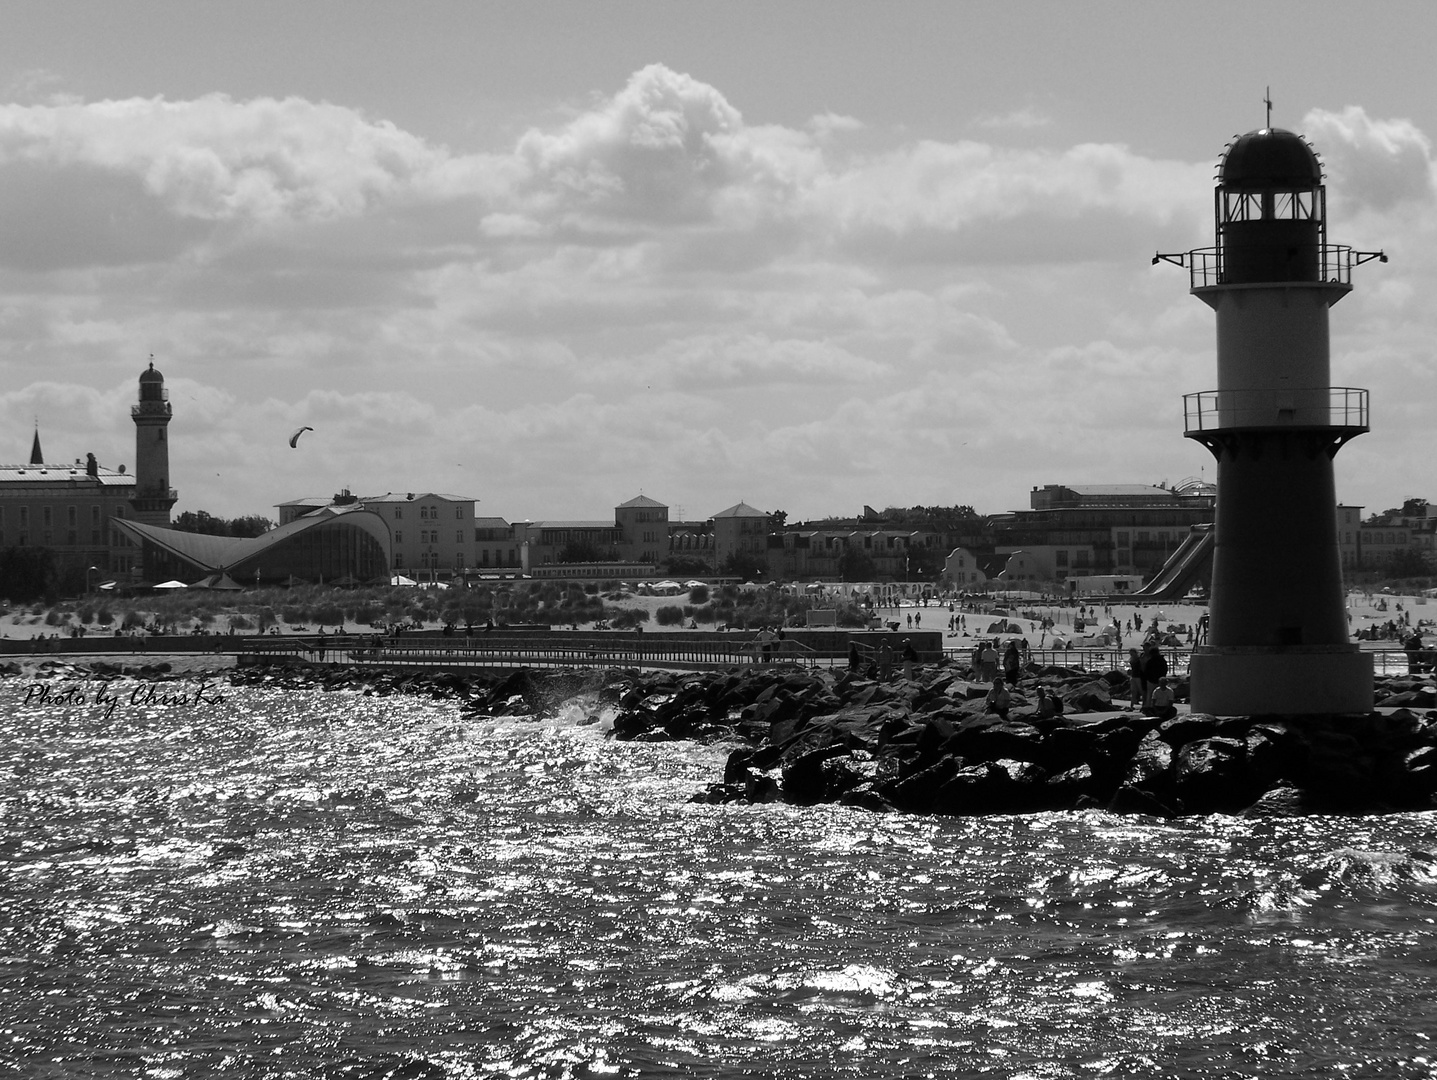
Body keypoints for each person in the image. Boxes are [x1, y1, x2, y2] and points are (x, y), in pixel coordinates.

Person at [1141, 643, 1169, 710]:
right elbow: (1165, 669)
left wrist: (1147, 678)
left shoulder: (1150, 661)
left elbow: (1146, 671)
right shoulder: (1162, 660)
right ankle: (1160, 706)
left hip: (1151, 680)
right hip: (1160, 680)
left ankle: (1149, 707)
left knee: (1150, 694)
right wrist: (1163, 677)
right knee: (1161, 694)